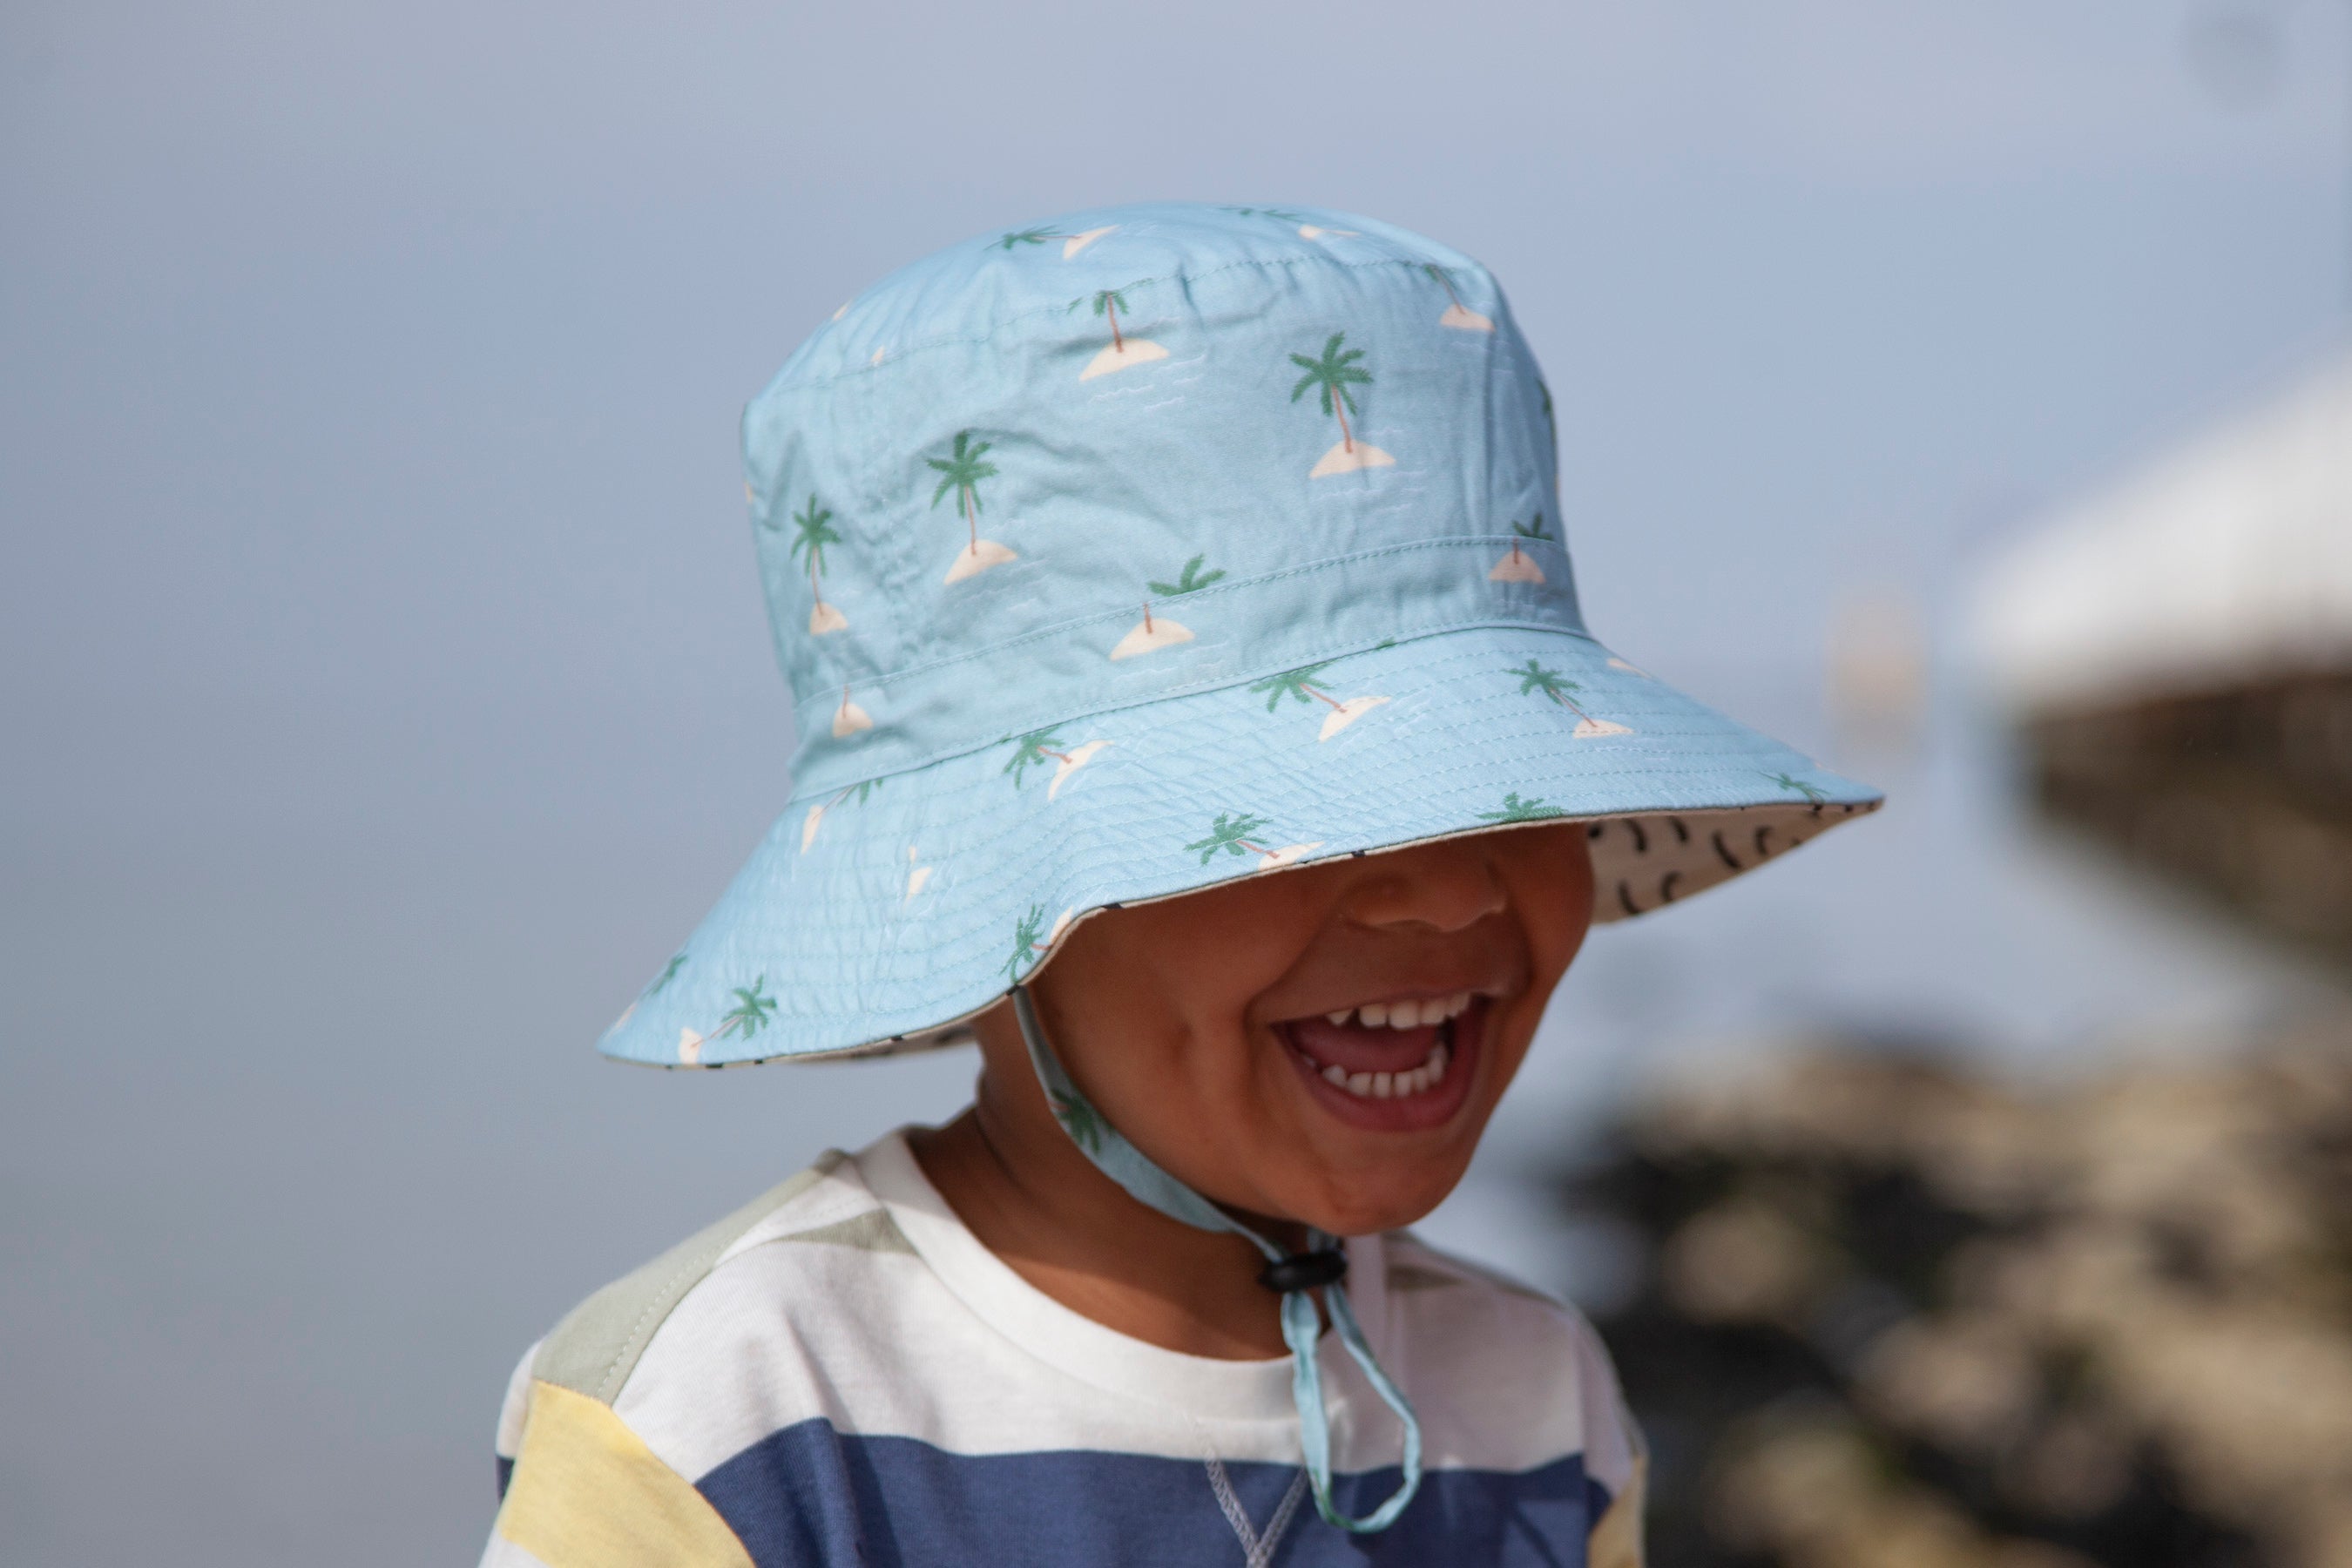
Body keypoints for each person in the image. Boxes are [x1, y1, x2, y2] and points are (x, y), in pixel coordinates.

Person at [476, 201, 1878, 1568]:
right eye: (1304, 818)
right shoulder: (734, 1422)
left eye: (1505, 793)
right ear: (994, 894)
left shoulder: (1533, 1408)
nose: (1449, 896)